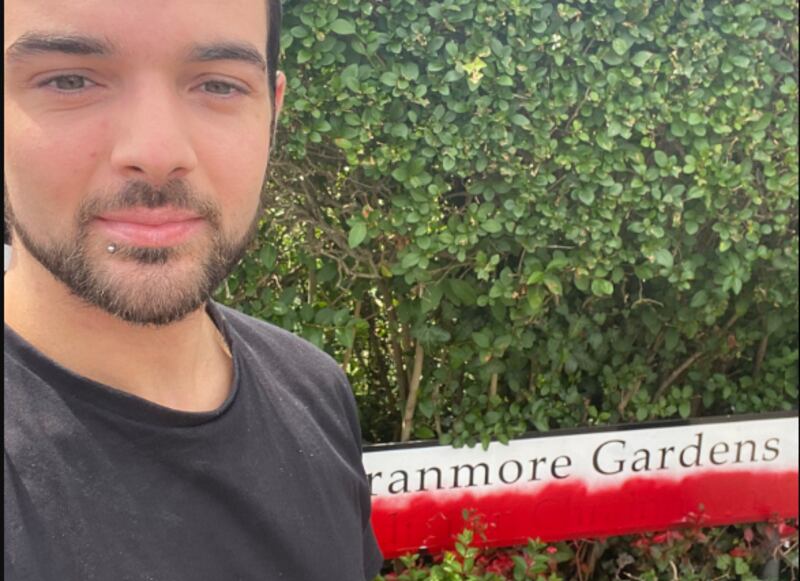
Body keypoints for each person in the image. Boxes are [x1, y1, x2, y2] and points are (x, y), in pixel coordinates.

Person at [3, 0, 384, 579]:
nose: (157, 155)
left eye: (219, 85)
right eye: (69, 79)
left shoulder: (317, 391)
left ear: (272, 111)